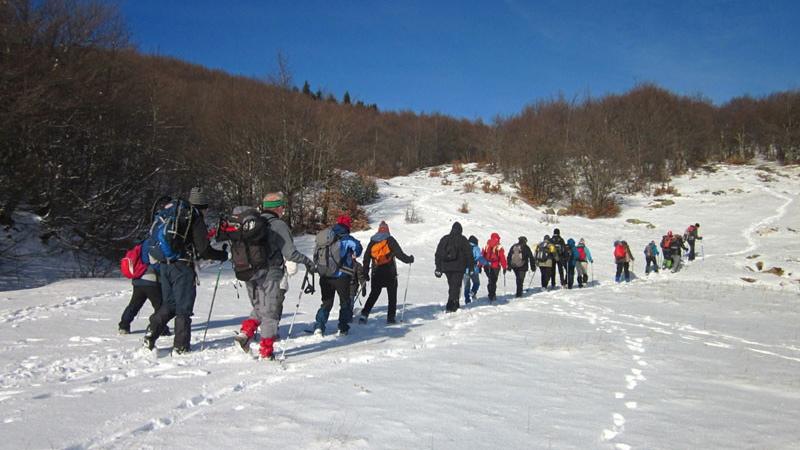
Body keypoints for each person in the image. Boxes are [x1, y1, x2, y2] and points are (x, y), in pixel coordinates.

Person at [222, 192, 316, 359]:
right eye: (282, 207)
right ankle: (266, 351)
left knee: (260, 307)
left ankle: (245, 334)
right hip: (270, 273)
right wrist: (307, 262)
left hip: (248, 271)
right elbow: (291, 253)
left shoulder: (250, 224)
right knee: (270, 312)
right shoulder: (278, 225)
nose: (283, 210)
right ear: (278, 208)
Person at [144, 187, 228, 354]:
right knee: (183, 308)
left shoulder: (174, 212)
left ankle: (152, 331)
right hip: (182, 266)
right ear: (202, 205)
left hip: (165, 264)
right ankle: (181, 346)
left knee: (170, 303)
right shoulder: (194, 217)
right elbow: (204, 250)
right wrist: (222, 255)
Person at [313, 215, 362, 336]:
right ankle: (343, 327)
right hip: (341, 276)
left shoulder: (325, 237)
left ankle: (319, 326)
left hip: (325, 276)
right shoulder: (347, 238)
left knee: (326, 302)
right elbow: (358, 249)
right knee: (344, 302)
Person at [359, 221, 414, 324]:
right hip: (390, 272)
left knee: (374, 294)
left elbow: (366, 257)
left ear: (379, 230)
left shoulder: (373, 241)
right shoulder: (390, 240)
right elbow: (399, 254)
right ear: (387, 230)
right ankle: (390, 318)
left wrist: (365, 272)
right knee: (392, 296)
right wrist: (409, 259)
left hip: (376, 273)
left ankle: (364, 314)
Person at [118, 237, 171, 336]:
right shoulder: (154, 243)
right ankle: (161, 328)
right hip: (151, 280)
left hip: (138, 280)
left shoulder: (142, 244)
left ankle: (123, 326)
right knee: (160, 306)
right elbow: (153, 262)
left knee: (134, 305)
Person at [434, 222, 473, 313]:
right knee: (455, 286)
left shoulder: (445, 239)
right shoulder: (463, 240)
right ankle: (451, 305)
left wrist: (438, 267)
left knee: (452, 285)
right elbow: (469, 254)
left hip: (446, 267)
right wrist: (470, 266)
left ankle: (455, 303)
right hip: (458, 267)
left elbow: (438, 254)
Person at [481, 232, 508, 302]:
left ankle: (491, 294)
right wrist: (504, 267)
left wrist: (480, 265)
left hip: (487, 266)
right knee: (493, 281)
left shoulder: (486, 245)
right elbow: (502, 257)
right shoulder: (499, 246)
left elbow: (482, 256)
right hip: (495, 266)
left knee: (490, 280)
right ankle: (492, 295)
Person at [464, 235, 490, 304]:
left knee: (467, 285)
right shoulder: (476, 248)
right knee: (476, 283)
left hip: (465, 270)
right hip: (474, 269)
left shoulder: (463, 247)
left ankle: (467, 300)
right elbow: (480, 258)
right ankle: (473, 292)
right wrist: (487, 263)